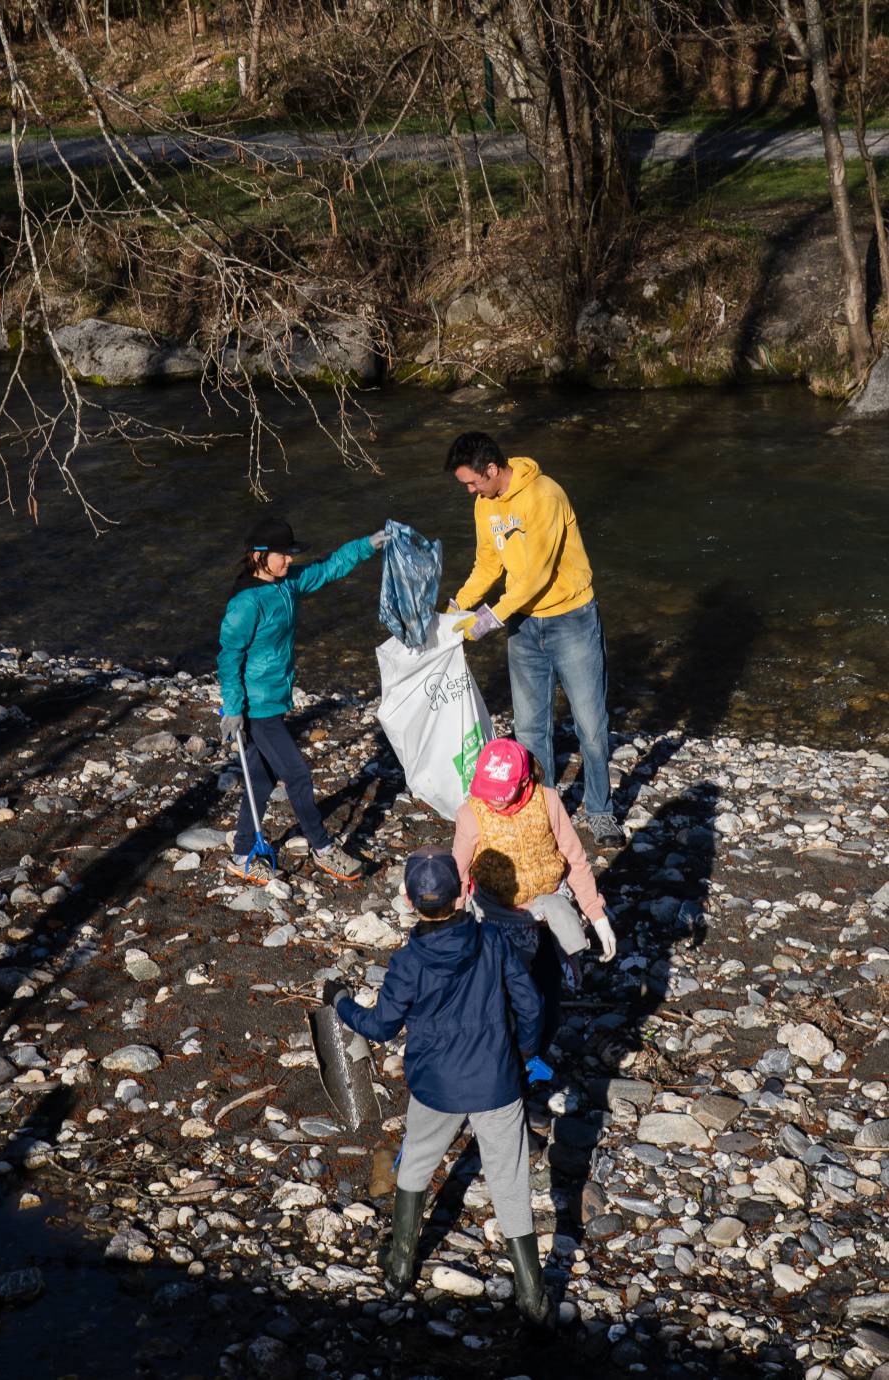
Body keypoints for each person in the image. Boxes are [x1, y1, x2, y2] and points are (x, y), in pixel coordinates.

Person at [323, 847, 554, 1328]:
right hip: (496, 1081)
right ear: (465, 892)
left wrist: (341, 1003)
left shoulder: (408, 963)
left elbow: (382, 1026)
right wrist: (525, 1055)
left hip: (436, 1085)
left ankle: (401, 1267)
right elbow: (531, 1006)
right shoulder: (492, 941)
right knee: (509, 1183)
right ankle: (534, 1302)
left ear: (410, 901)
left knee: (418, 1162)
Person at [444, 430, 624, 848]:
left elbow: (536, 575)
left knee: (592, 727)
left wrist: (488, 619)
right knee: (529, 729)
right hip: (525, 628)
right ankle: (542, 812)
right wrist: (459, 607)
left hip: (571, 621)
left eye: (473, 481)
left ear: (492, 469)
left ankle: (600, 811)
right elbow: (488, 563)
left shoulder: (545, 496)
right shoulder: (484, 505)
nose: (470, 490)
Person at [218, 514, 388, 884]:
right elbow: (228, 656)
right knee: (296, 774)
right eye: (283, 555)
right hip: (255, 707)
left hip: (274, 701)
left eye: (291, 554)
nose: (290, 560)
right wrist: (232, 709)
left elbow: (329, 568)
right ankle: (323, 847)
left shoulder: (287, 584)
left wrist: (368, 544)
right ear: (259, 555)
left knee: (260, 782)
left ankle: (242, 854)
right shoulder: (246, 603)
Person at [452, 737, 616, 1054]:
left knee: (546, 1001)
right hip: (497, 922)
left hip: (549, 917)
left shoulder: (549, 801)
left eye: (502, 795)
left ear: (526, 780)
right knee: (502, 998)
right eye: (489, 793)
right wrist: (453, 934)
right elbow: (458, 878)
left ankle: (535, 1058)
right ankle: (504, 1062)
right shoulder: (470, 814)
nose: (494, 802)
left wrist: (597, 915)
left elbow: (575, 860)